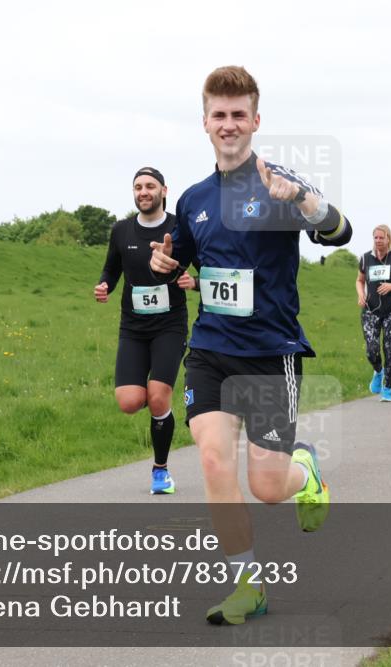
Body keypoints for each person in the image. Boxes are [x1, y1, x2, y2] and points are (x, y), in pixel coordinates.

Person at [149, 66, 353, 625]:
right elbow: (181, 257)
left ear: (256, 121)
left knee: (266, 486)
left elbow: (340, 232)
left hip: (270, 353)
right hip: (211, 348)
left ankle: (305, 472)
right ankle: (249, 586)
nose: (230, 124)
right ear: (206, 123)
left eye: (240, 115)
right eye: (220, 115)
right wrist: (164, 263)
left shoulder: (277, 182)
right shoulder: (193, 198)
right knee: (214, 460)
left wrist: (307, 205)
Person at [95, 167, 190, 495]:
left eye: (150, 186)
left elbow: (199, 261)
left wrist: (191, 279)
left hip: (170, 324)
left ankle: (160, 471)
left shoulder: (179, 226)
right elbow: (112, 266)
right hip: (133, 327)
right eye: (138, 186)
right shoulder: (121, 230)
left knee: (158, 394)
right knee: (130, 401)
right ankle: (162, 412)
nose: (143, 191)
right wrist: (105, 284)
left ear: (164, 190)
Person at [356, 225, 391, 402]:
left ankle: (387, 388)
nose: (378, 241)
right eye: (376, 238)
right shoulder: (365, 259)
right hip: (370, 310)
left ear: (388, 239)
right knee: (371, 350)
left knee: (389, 349)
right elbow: (359, 280)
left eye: (382, 238)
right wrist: (361, 294)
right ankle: (378, 371)